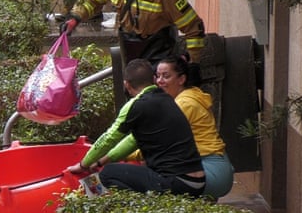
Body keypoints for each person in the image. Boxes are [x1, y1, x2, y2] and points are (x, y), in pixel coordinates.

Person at [63, 0, 206, 108]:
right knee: (132, 99)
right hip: (129, 49)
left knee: (155, 100)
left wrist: (192, 62)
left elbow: (194, 28)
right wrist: (75, 18)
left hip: (158, 51)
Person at [67, 59, 205, 196]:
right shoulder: (165, 98)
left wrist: (83, 165)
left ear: (126, 85)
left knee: (108, 173)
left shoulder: (137, 105)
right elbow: (133, 140)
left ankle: (91, 207)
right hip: (198, 182)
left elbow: (109, 138)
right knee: (111, 169)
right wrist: (100, 161)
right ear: (153, 79)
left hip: (176, 182)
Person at [155, 56, 234, 198]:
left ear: (181, 79)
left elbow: (157, 142)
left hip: (211, 171)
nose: (160, 81)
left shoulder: (184, 104)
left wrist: (116, 156)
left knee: (148, 176)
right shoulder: (190, 96)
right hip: (214, 168)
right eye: (158, 76)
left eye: (166, 76)